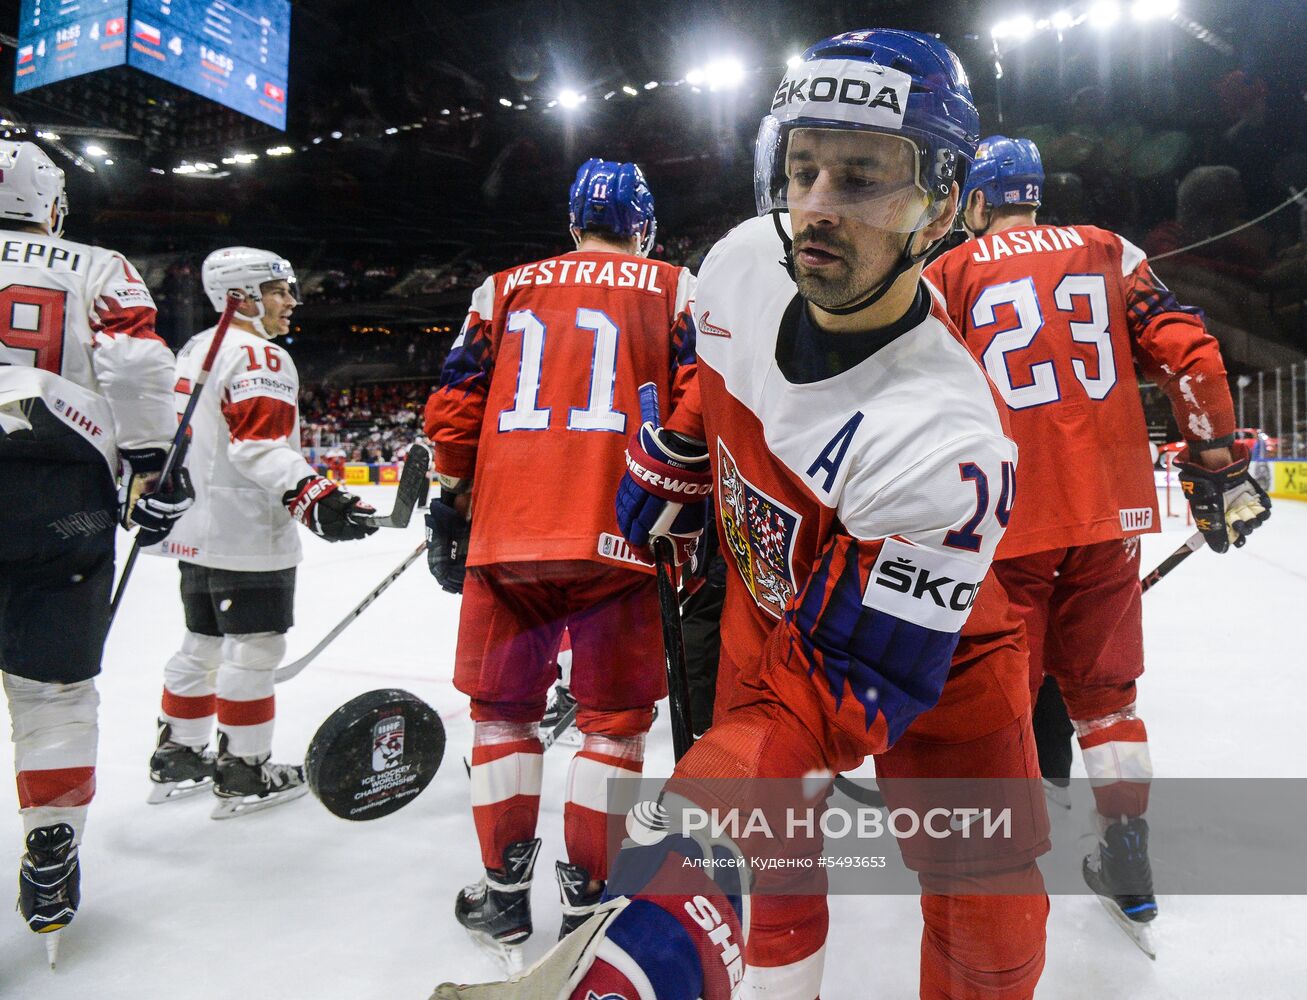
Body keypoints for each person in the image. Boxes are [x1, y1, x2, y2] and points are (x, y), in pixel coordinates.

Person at [436, 30, 1048, 1000]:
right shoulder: (731, 265)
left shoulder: (947, 443)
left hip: (936, 662)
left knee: (987, 898)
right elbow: (702, 392)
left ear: (937, 201)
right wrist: (674, 459)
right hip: (766, 622)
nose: (815, 206)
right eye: (800, 166)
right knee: (778, 868)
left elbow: (826, 692)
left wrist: (681, 868)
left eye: (861, 175)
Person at [924, 135, 1270, 949]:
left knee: (998, 698)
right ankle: (1127, 860)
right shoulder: (1108, 250)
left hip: (1000, 519)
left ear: (975, 200)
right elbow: (1189, 351)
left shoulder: (948, 273)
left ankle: (996, 870)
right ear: (1034, 193)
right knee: (1107, 702)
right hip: (1110, 512)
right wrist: (1216, 456)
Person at [423, 158, 700, 960]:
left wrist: (450, 496)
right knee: (612, 724)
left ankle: (504, 897)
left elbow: (455, 405)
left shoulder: (501, 287)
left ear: (572, 220)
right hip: (625, 529)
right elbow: (696, 398)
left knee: (502, 714)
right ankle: (589, 895)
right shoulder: (676, 287)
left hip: (508, 532)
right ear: (642, 222)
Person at [0, 140, 192, 950]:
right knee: (54, 692)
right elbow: (138, 366)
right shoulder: (95, 263)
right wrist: (154, 469)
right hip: (55, 496)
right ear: (50, 201)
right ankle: (51, 844)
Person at [146, 247, 377, 819]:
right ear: (241, 298)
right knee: (255, 650)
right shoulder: (260, 356)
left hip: (196, 527)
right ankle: (244, 769)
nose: (292, 302)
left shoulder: (199, 348)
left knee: (200, 644)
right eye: (280, 291)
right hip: (245, 531)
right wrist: (313, 495)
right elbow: (259, 447)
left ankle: (178, 752)